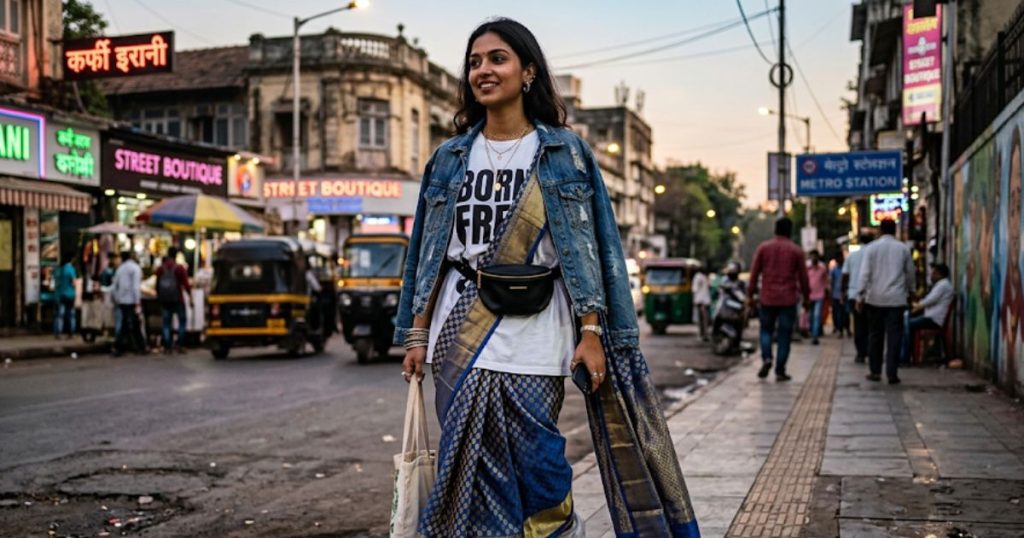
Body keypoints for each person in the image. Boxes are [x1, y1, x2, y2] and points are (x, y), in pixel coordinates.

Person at [395, 18, 699, 537]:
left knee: (542, 468)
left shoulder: (564, 152)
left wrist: (593, 332)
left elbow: (592, 250)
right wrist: (416, 334)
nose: (483, 70)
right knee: (464, 470)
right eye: (474, 62)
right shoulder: (448, 159)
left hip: (538, 336)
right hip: (459, 336)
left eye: (498, 59)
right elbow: (428, 252)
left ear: (528, 71)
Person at [748, 217, 810, 382]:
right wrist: (807, 298)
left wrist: (750, 295)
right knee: (784, 335)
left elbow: (754, 275)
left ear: (775, 229)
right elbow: (804, 278)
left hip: (767, 298)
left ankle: (767, 358)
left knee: (765, 331)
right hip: (788, 299)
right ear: (790, 231)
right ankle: (780, 370)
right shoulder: (796, 251)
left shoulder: (763, 248)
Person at [857, 219, 914, 384]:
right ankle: (892, 373)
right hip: (896, 300)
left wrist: (860, 296)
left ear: (880, 230)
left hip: (875, 299)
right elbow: (910, 274)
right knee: (894, 337)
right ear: (895, 230)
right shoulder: (903, 248)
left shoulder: (871, 248)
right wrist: (911, 292)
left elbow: (865, 274)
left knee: (875, 336)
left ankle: (875, 371)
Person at [905, 262, 954, 361]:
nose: (931, 275)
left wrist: (916, 306)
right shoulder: (941, 285)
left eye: (933, 273)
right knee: (907, 319)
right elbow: (928, 300)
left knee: (906, 324)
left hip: (934, 319)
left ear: (940, 274)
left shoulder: (943, 285)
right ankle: (907, 354)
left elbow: (929, 300)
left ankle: (905, 355)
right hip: (931, 317)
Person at [842, 233, 873, 363]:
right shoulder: (874, 254)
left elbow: (845, 275)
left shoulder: (852, 255)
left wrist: (842, 292)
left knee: (859, 325)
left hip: (854, 294)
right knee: (872, 326)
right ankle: (871, 352)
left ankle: (860, 353)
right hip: (872, 295)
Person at [155, 247, 192, 354]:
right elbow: (186, 284)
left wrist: (159, 297)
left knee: (166, 323)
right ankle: (180, 345)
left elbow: (157, 285)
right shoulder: (179, 268)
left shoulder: (161, 268)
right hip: (178, 299)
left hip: (165, 300)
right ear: (176, 255)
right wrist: (190, 297)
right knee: (182, 322)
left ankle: (167, 346)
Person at [112, 250, 146, 356]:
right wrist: (137, 301)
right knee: (134, 324)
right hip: (131, 300)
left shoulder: (120, 269)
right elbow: (136, 286)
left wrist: (117, 298)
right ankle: (140, 346)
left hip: (122, 300)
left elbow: (115, 285)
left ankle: (120, 347)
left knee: (125, 324)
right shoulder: (135, 268)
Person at [806, 250, 828, 345]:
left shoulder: (822, 268)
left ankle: (815, 336)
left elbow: (826, 281)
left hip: (819, 295)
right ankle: (812, 332)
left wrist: (827, 291)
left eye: (815, 256)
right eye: (812, 256)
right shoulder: (807, 268)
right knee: (811, 316)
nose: (814, 258)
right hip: (809, 296)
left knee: (816, 315)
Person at [52, 254, 78, 339]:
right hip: (70, 294)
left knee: (59, 314)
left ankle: (58, 332)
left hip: (59, 295)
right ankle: (71, 333)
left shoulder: (58, 270)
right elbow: (74, 283)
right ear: (71, 260)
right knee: (71, 314)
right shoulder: (71, 269)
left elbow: (54, 283)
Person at [829, 255, 848, 337]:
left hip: (845, 294)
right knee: (838, 313)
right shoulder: (834, 270)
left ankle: (846, 328)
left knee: (845, 313)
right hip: (836, 295)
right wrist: (831, 293)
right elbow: (831, 282)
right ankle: (840, 329)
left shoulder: (846, 269)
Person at [692, 264, 711, 341]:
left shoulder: (699, 277)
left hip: (701, 301)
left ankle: (703, 334)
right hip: (703, 301)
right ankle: (704, 334)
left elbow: (695, 289)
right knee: (704, 319)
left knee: (702, 320)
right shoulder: (701, 277)